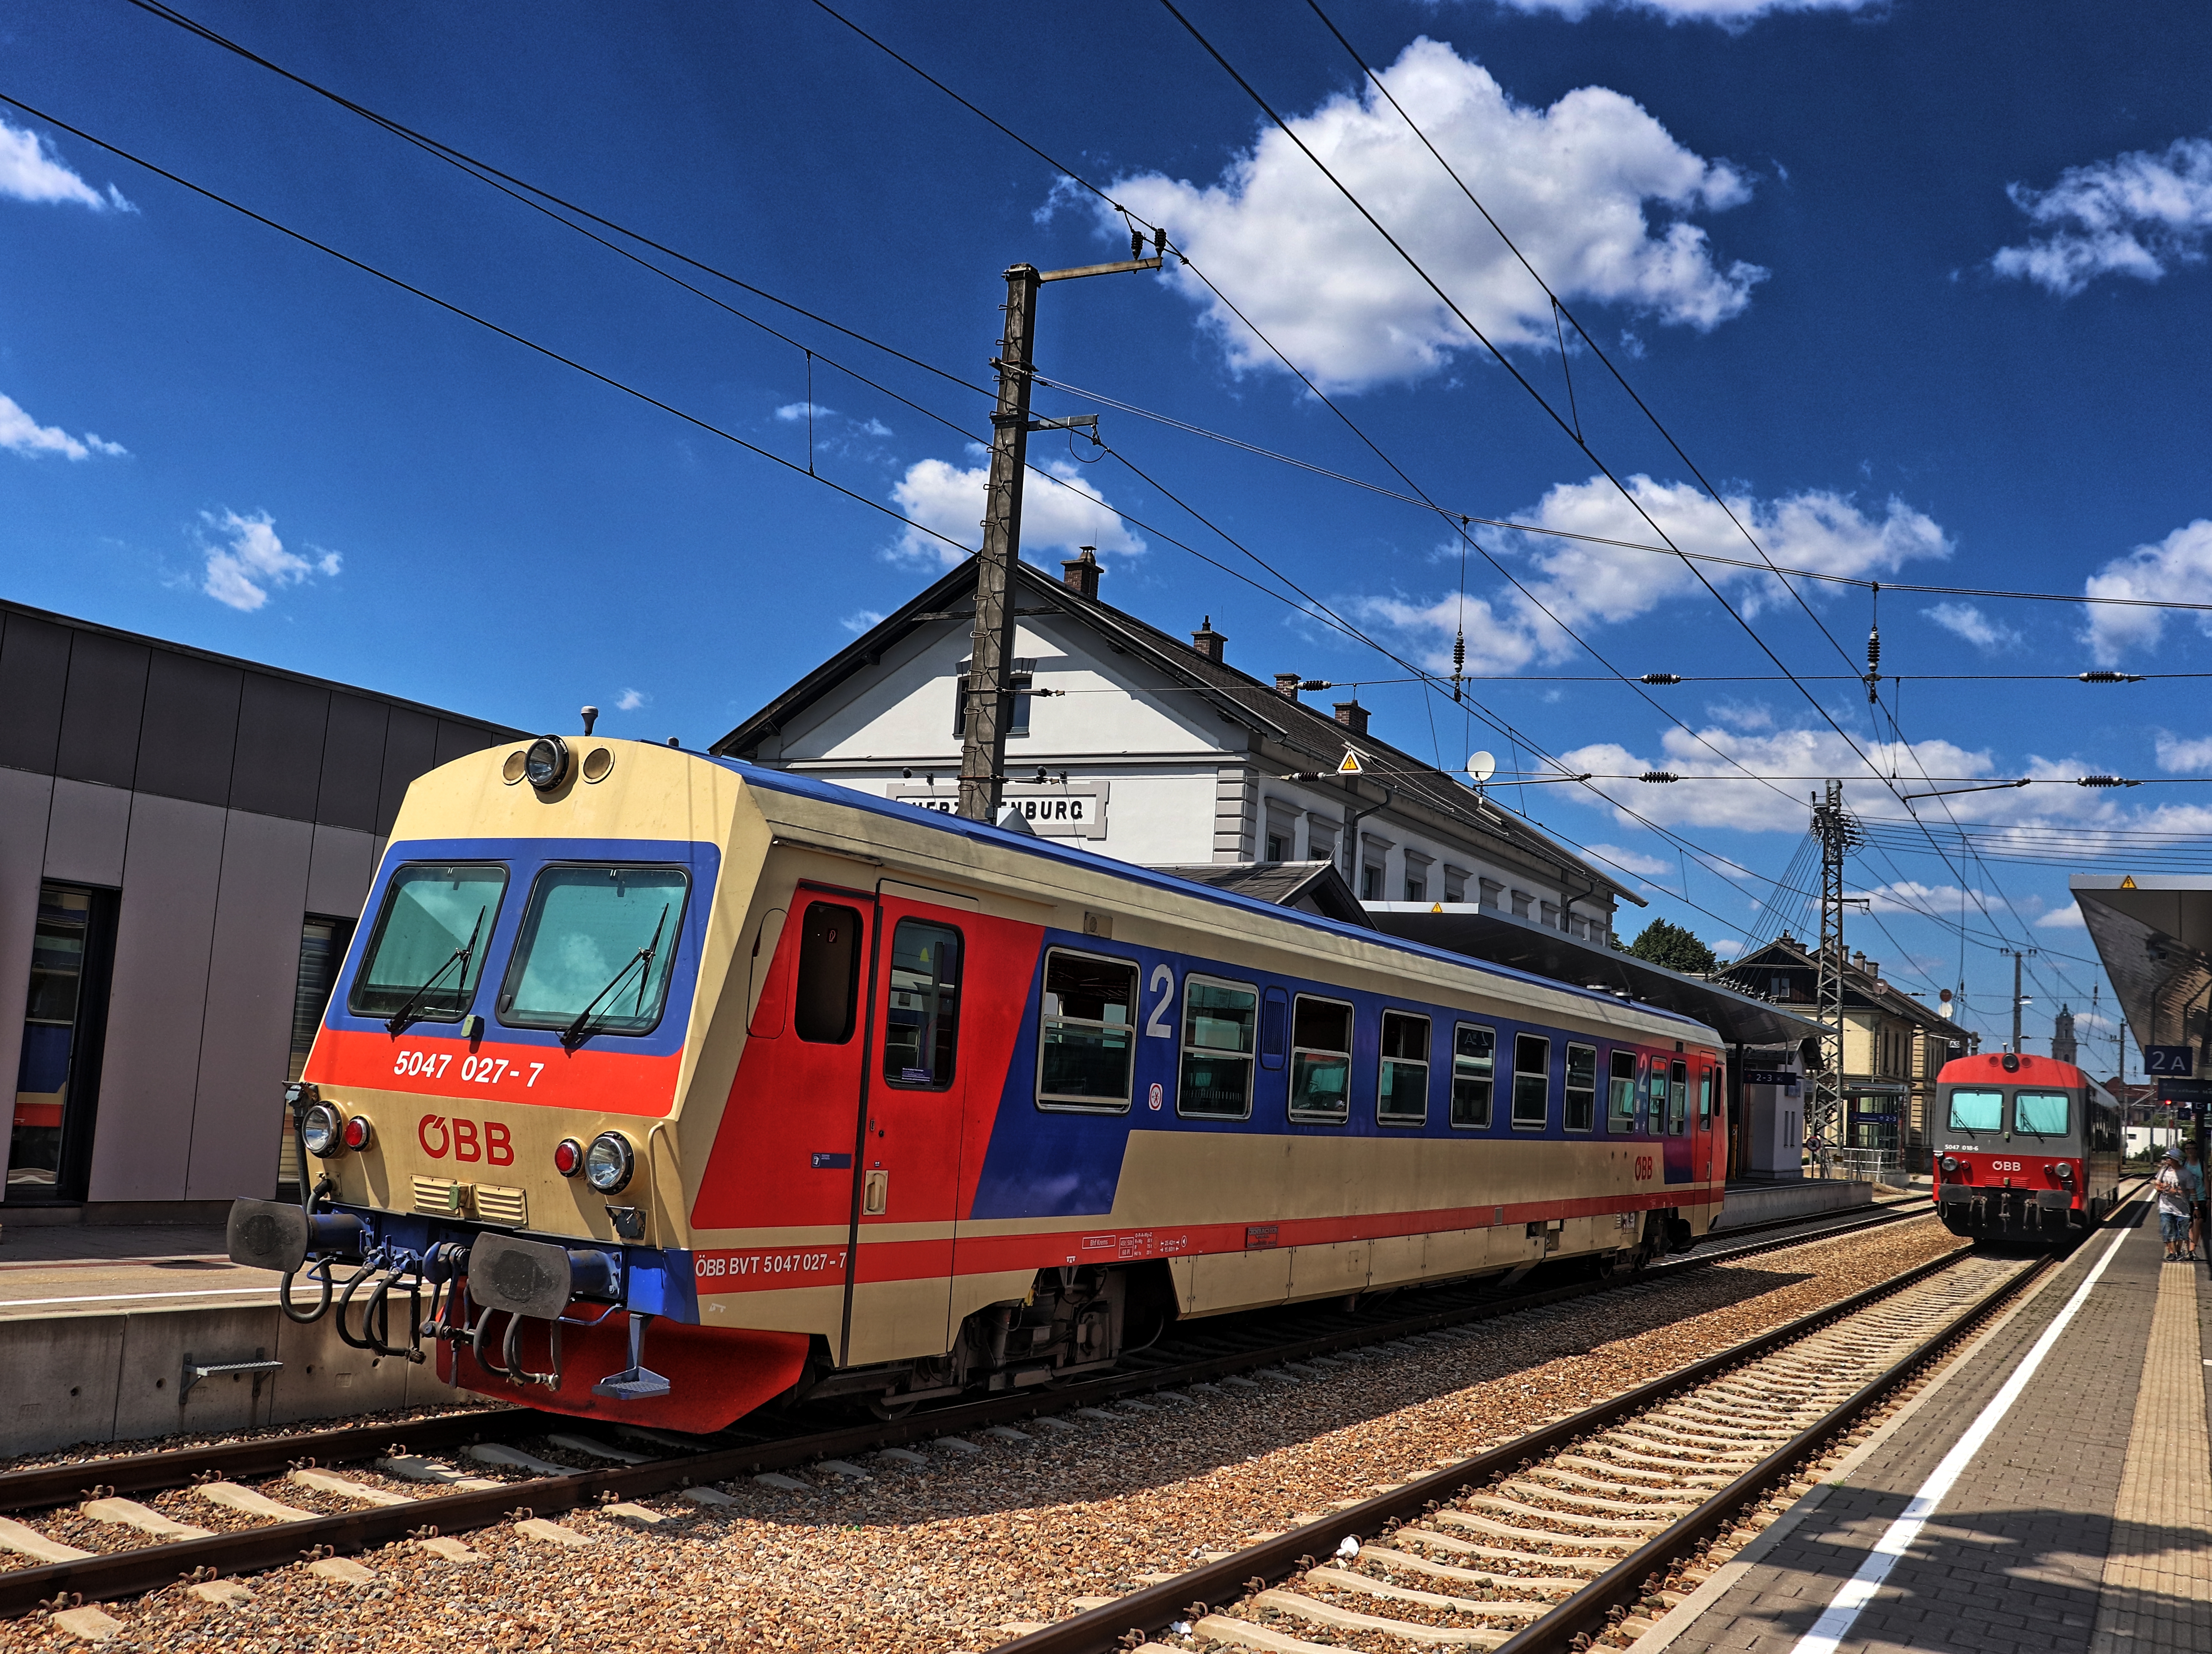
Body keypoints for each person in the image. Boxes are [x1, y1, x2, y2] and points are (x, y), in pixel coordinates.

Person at [2155, 1148, 2190, 1263]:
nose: (2167, 1160)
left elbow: (2189, 1191)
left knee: (2180, 1232)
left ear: (2176, 1159)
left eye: (2169, 1158)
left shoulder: (2186, 1173)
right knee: (2167, 1229)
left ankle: (2179, 1251)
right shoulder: (2164, 1170)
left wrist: (2176, 1192)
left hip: (2182, 1208)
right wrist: (2160, 1188)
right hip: (2165, 1205)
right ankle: (2171, 1253)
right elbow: (2157, 1184)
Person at [2185, 1139, 2205, 1263]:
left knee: (2198, 1224)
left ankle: (2193, 1249)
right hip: (2187, 1199)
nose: (2191, 1151)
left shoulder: (2202, 1165)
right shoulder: (2184, 1164)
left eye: (2193, 1148)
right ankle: (2190, 1249)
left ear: (2197, 1150)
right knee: (2189, 1225)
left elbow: (2207, 1182)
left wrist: (2209, 1198)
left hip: (2201, 1197)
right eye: (2188, 1149)